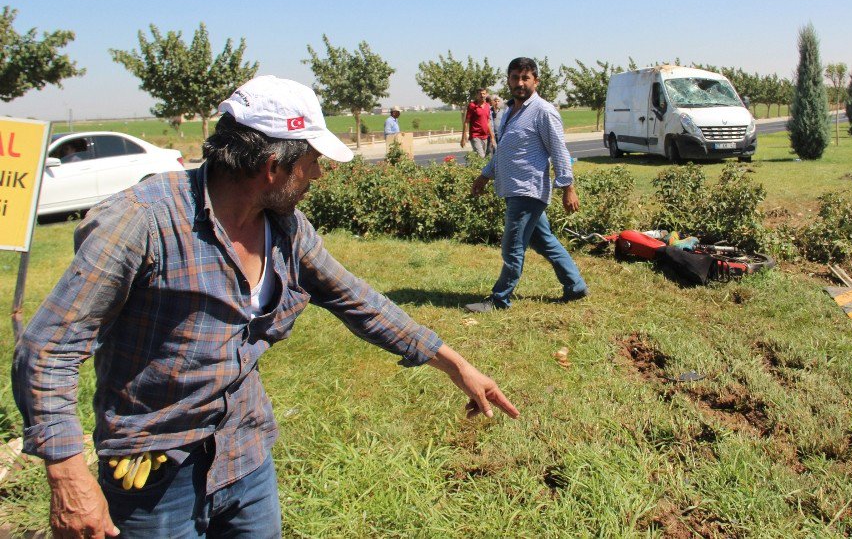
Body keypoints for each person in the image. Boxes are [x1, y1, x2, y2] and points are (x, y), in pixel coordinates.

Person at [13, 75, 519, 538]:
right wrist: (69, 476)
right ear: (273, 167)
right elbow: (47, 350)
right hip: (152, 473)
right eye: (312, 161)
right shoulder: (142, 223)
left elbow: (356, 298)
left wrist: (454, 364)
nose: (318, 174)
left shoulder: (285, 229)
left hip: (244, 453)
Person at [465, 58, 589, 312]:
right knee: (544, 242)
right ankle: (575, 286)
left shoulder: (543, 111)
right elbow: (504, 152)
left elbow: (559, 150)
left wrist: (568, 187)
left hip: (528, 189)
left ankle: (499, 299)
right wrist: (484, 175)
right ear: (508, 80)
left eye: (525, 78)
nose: (519, 83)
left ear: (536, 81)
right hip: (514, 188)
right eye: (514, 78)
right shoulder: (510, 111)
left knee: (513, 246)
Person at [460, 88, 495, 158]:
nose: (482, 95)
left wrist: (492, 137)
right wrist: (463, 138)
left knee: (484, 158)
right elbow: (466, 122)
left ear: (486, 95)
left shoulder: (487, 106)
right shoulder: (472, 106)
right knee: (481, 157)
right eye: (480, 94)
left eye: (484, 94)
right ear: (477, 95)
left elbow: (488, 122)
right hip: (475, 135)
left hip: (485, 136)